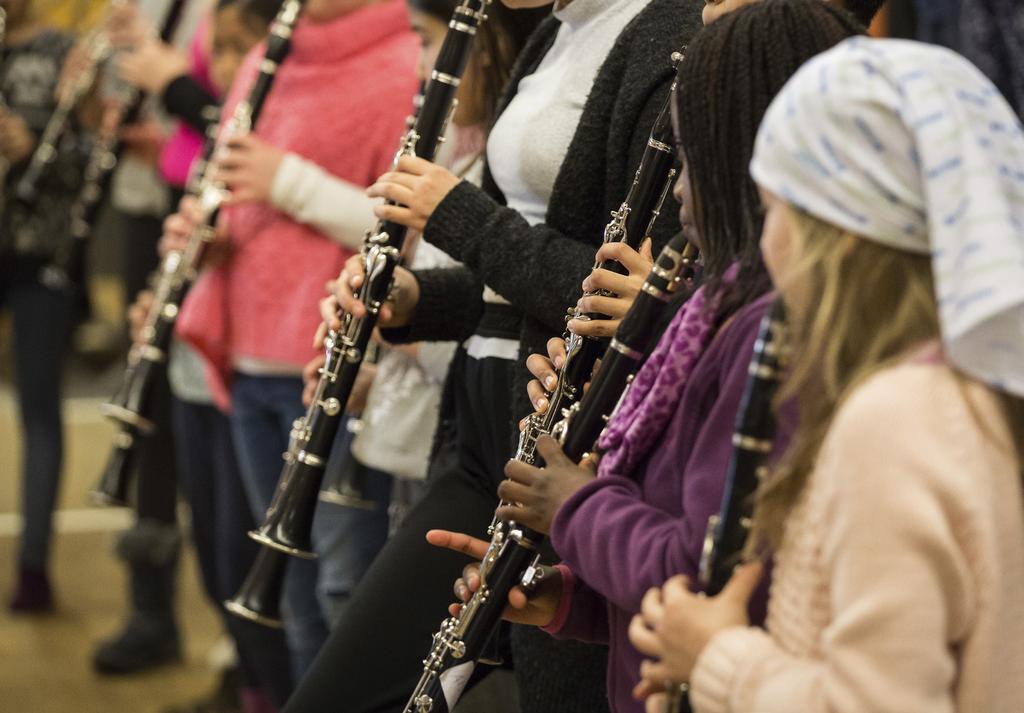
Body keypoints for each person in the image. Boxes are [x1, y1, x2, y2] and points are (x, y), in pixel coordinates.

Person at [430, 4, 863, 713]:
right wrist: (569, 599)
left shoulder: (768, 338)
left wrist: (575, 501)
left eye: (688, 163)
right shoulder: (713, 313)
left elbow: (702, 578)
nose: (680, 197)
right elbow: (674, 553)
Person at [287, 1, 700, 711]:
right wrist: (417, 300)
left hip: (563, 442)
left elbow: (629, 297)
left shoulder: (668, 35)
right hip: (482, 427)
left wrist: (458, 215)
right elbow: (507, 285)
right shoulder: (552, 30)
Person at [629, 37, 1024, 713]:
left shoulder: (894, 419)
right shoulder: (970, 386)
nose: (765, 238)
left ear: (838, 233)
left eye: (775, 208)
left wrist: (718, 657)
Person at [173, 0, 419, 678]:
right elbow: (231, 193)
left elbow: (410, 228)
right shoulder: (265, 56)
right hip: (249, 348)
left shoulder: (405, 59)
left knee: (344, 592)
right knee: (293, 595)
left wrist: (285, 180)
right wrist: (205, 238)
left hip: (334, 362)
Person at [1, 0, 96, 613]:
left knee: (40, 409)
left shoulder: (66, 52)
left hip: (44, 256)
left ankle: (33, 568)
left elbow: (95, 159)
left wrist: (34, 145)